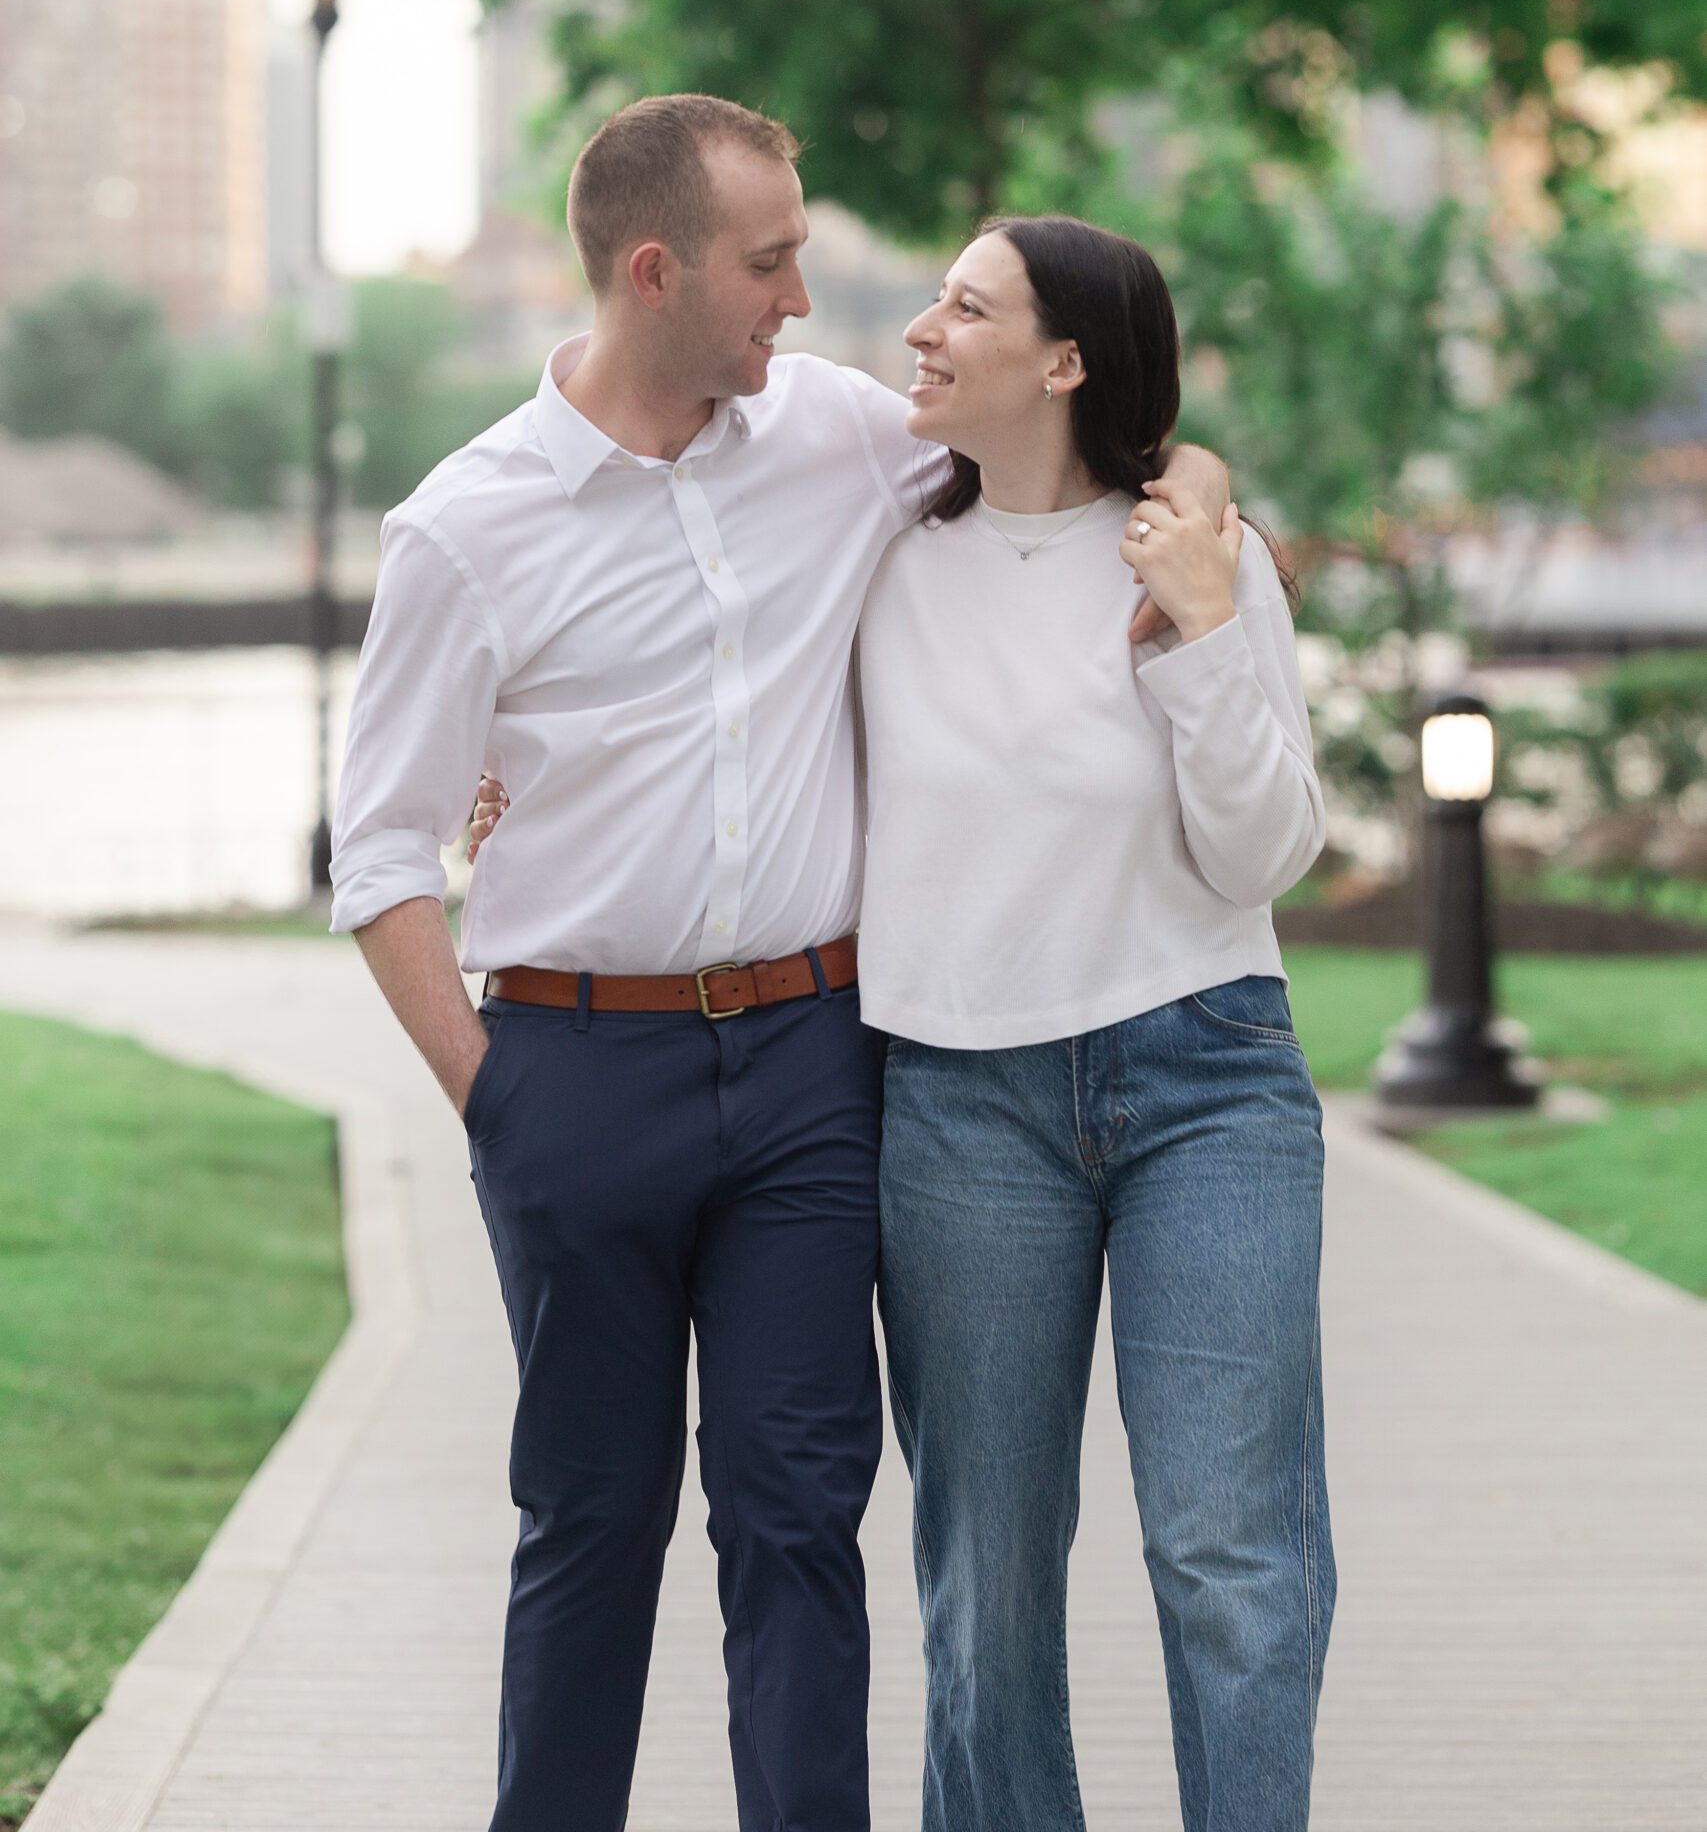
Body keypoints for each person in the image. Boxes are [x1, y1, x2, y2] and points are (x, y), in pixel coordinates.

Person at [331, 93, 1229, 1832]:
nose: (805, 298)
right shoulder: (466, 527)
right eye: (772, 262)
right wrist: (495, 1097)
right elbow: (380, 852)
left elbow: (1087, 442)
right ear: (654, 272)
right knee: (589, 1519)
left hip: (817, 1065)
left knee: (801, 1513)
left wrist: (1195, 484)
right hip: (577, 1073)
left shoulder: (836, 437)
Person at [858, 215, 1332, 1832]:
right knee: (984, 1574)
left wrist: (1203, 624)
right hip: (958, 1101)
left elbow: (1266, 854)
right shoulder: (879, 544)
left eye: (966, 307)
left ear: (1065, 361)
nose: (924, 329)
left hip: (1207, 1079)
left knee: (1231, 1556)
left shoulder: (1199, 555)